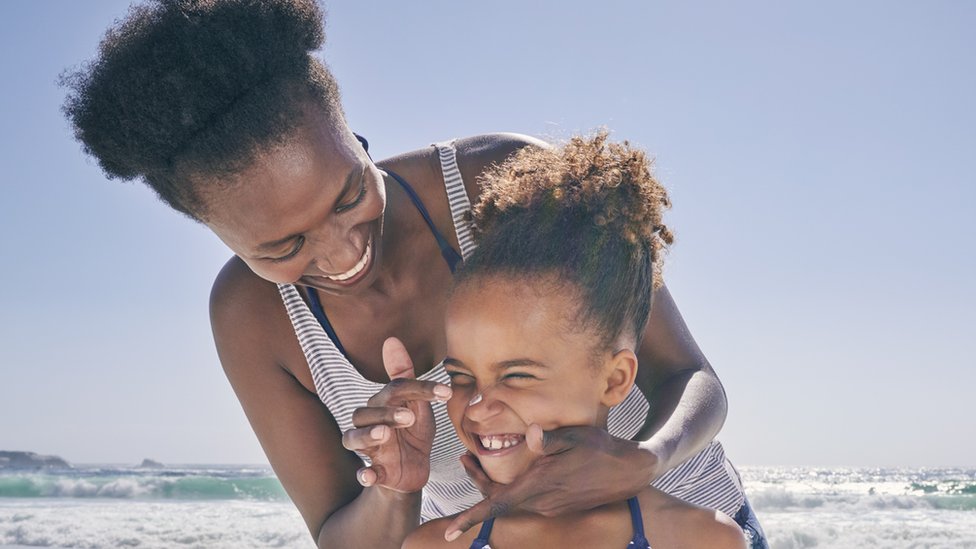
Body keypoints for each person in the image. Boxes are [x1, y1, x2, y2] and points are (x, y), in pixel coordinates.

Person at [61, 1, 766, 548]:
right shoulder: (252, 319)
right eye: (284, 246)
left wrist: (639, 461)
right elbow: (344, 534)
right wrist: (396, 488)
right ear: (218, 235)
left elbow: (693, 375)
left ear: (354, 138)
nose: (343, 254)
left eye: (349, 195)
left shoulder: (499, 178)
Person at [403, 133, 747, 549]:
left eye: (515, 375)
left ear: (616, 379)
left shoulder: (703, 539)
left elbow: (693, 375)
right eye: (460, 377)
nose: (476, 407)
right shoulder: (433, 545)